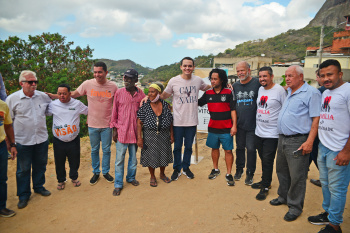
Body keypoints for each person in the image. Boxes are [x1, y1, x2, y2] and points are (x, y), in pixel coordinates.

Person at [141, 57, 211, 181]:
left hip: (192, 121)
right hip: (178, 121)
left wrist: (223, 84)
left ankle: (186, 168)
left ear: (193, 67)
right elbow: (163, 95)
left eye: (190, 66)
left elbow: (209, 87)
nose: (187, 68)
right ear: (181, 67)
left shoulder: (198, 80)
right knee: (177, 147)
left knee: (188, 147)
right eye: (185, 66)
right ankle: (177, 169)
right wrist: (149, 96)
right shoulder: (174, 81)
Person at [270, 65, 321, 222]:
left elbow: (316, 119)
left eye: (291, 75)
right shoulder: (289, 91)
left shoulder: (312, 93)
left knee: (297, 175)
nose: (288, 78)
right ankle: (283, 196)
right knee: (282, 170)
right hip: (283, 138)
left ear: (301, 77)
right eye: (286, 76)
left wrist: (309, 141)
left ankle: (295, 206)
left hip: (298, 140)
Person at [57, 62, 118, 185]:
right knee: (94, 150)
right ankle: (96, 172)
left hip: (107, 124)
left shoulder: (113, 86)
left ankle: (105, 172)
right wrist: (56, 96)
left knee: (106, 150)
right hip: (92, 124)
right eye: (95, 72)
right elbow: (73, 94)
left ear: (106, 73)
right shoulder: (87, 84)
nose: (97, 74)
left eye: (100, 72)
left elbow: (119, 102)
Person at [308, 59, 350, 233]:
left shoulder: (347, 91)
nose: (326, 78)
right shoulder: (325, 92)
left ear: (340, 74)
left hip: (339, 149)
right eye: (323, 75)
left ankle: (334, 225)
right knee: (325, 183)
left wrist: (346, 151)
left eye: (330, 74)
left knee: (337, 188)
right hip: (324, 147)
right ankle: (328, 213)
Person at [6, 70, 52, 209]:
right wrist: (10, 143)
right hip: (22, 141)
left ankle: (39, 187)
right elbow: (8, 123)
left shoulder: (43, 97)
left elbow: (51, 110)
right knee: (23, 169)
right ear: (21, 83)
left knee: (41, 165)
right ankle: (24, 195)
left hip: (41, 139)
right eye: (30, 82)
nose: (34, 84)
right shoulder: (12, 99)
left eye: (35, 82)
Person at [251, 67, 287, 200]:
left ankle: (265, 186)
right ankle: (265, 180)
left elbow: (285, 109)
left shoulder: (279, 90)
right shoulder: (260, 89)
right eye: (260, 76)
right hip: (259, 132)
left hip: (272, 134)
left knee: (267, 160)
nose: (262, 79)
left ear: (271, 76)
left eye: (265, 76)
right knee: (263, 159)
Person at [198, 68, 237, 186]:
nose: (213, 81)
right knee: (214, 149)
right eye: (212, 79)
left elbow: (233, 110)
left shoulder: (229, 92)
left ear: (222, 80)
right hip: (213, 128)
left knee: (228, 150)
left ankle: (229, 173)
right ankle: (215, 169)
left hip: (226, 128)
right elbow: (197, 102)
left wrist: (234, 126)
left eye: (215, 79)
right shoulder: (208, 93)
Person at [110, 69, 145, 196]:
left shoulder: (141, 94)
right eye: (125, 78)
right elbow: (114, 112)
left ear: (136, 80)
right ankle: (118, 184)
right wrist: (114, 130)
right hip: (122, 132)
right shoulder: (119, 93)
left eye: (130, 78)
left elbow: (142, 114)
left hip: (135, 133)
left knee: (133, 159)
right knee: (119, 159)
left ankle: (130, 178)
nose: (126, 80)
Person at [47, 84, 88, 190]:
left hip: (73, 139)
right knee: (59, 161)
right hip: (58, 140)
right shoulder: (53, 105)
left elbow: (89, 111)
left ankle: (74, 178)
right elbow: (43, 113)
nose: (62, 96)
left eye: (64, 93)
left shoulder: (77, 104)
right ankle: (61, 180)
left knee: (74, 160)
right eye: (59, 93)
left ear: (70, 93)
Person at [137, 82, 174, 187]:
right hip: (149, 136)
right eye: (149, 92)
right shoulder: (145, 105)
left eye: (153, 92)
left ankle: (162, 174)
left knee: (163, 155)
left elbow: (170, 121)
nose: (150, 94)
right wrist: (139, 138)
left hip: (164, 135)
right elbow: (139, 123)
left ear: (159, 93)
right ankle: (152, 176)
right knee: (151, 156)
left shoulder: (166, 105)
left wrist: (172, 135)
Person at [233, 61, 261, 185]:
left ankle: (250, 172)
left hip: (253, 125)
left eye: (242, 70)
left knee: (250, 149)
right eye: (238, 71)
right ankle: (239, 169)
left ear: (249, 70)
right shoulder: (235, 86)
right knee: (239, 148)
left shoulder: (257, 83)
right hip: (239, 124)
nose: (240, 73)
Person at [309, 69, 327, 188]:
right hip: (321, 130)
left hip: (320, 131)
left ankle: (324, 178)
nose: (317, 79)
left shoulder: (319, 91)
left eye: (318, 77)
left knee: (314, 151)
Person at [0, 99, 17, 217]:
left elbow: (8, 126)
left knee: (2, 178)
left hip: (0, 145)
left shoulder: (2, 105)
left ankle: (2, 207)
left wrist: (12, 144)